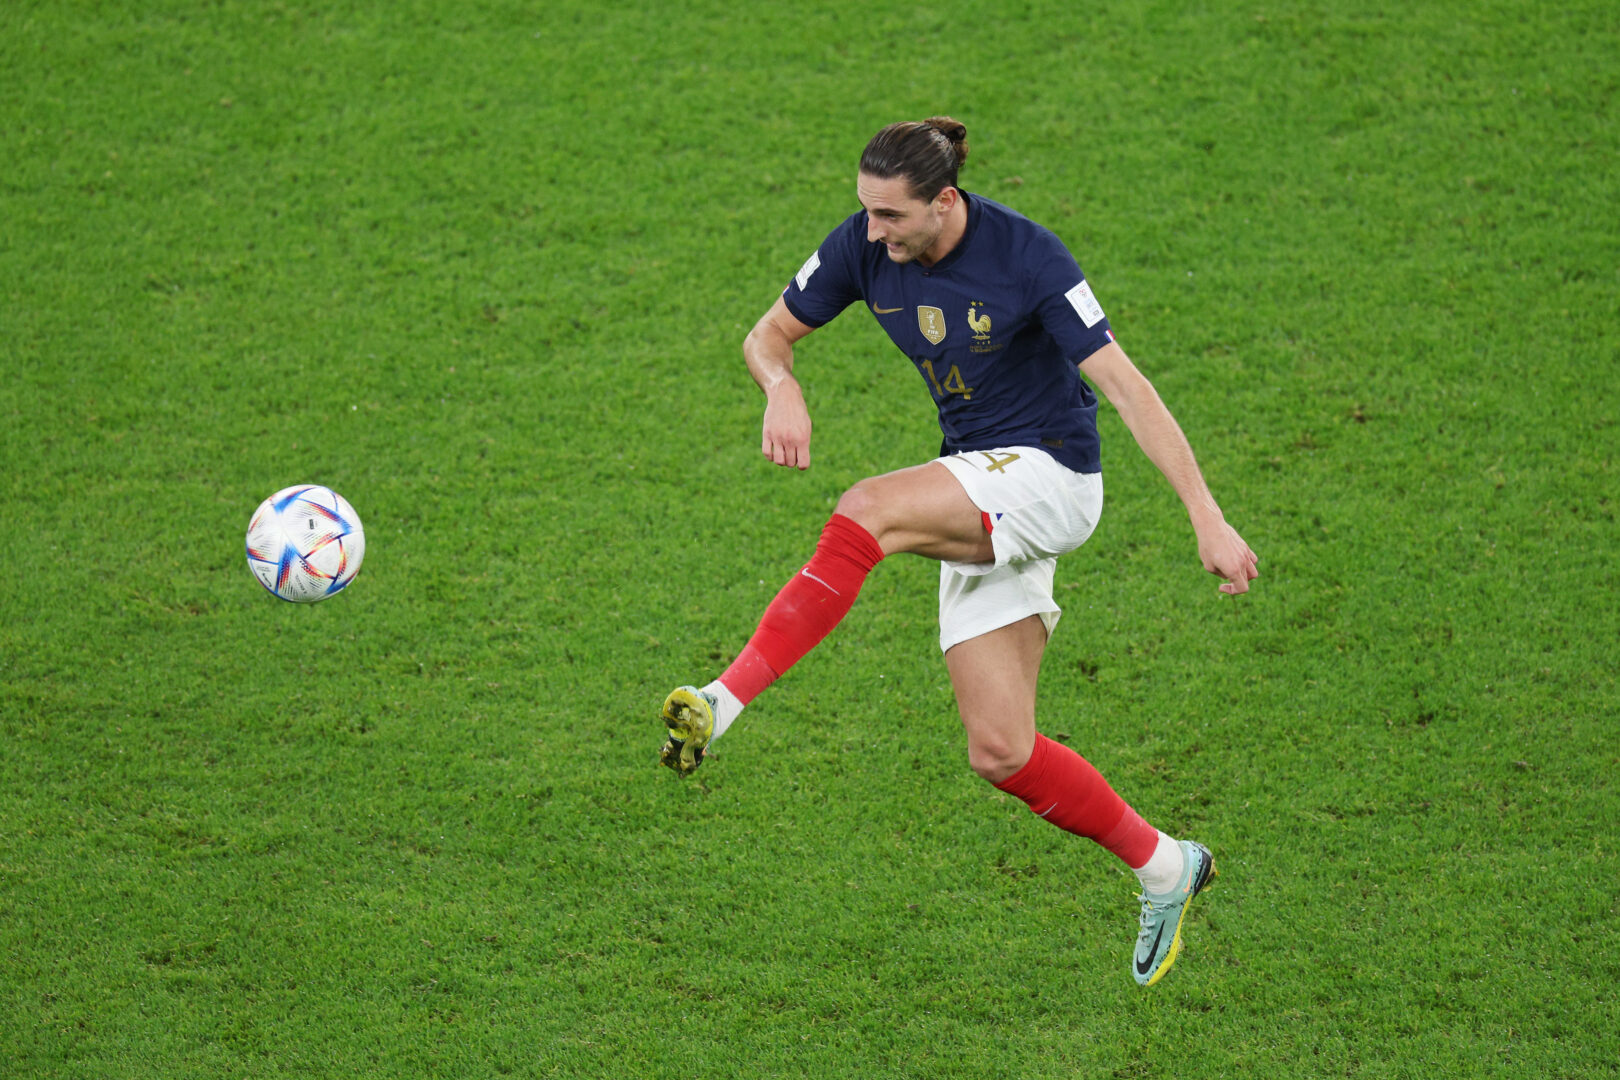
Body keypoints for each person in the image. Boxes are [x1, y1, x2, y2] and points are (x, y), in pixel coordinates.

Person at [658, 117, 1258, 987]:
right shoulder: (867, 245)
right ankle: (1168, 867)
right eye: (865, 213)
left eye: (890, 217)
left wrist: (1206, 515)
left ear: (945, 202)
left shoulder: (1031, 258)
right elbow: (766, 336)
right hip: (977, 480)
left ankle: (722, 701)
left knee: (868, 510)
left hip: (1050, 479)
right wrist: (780, 386)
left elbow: (1128, 389)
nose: (872, 233)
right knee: (1001, 750)